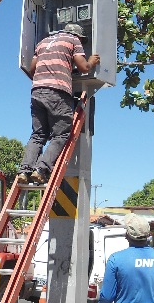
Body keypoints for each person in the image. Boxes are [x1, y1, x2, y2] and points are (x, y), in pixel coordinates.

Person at [17, 23, 100, 184]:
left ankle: (24, 171)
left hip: (37, 91)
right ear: (77, 35)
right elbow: (83, 67)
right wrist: (91, 62)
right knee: (61, 133)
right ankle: (41, 169)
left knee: (38, 134)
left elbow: (33, 70)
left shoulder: (43, 43)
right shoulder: (73, 40)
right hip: (57, 91)